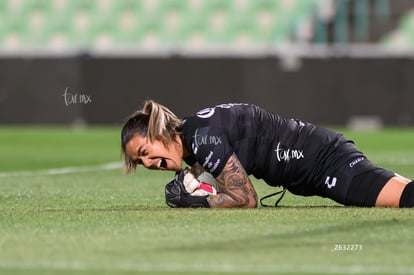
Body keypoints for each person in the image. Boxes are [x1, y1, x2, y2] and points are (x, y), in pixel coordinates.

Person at [120, 100, 414, 208]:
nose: (148, 163)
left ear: (159, 131)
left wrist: (192, 202)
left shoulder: (201, 136)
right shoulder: (194, 137)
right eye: (140, 162)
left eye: (145, 152)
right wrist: (202, 186)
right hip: (318, 159)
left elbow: (245, 198)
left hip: (325, 163)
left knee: (405, 199)